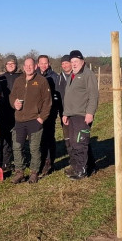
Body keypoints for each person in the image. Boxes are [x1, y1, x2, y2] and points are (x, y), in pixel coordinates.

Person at [9, 57, 52, 184]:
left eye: (31, 65)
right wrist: (14, 103)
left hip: (34, 120)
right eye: (26, 65)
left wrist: (41, 118)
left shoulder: (42, 81)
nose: (28, 67)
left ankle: (34, 173)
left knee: (34, 148)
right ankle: (19, 172)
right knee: (17, 147)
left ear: (35, 67)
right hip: (19, 120)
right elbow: (12, 97)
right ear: (23, 67)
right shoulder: (18, 80)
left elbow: (47, 102)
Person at [62, 50, 99, 180]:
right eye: (72, 62)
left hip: (82, 115)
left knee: (79, 143)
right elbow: (69, 96)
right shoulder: (72, 75)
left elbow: (93, 95)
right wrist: (65, 113)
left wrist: (90, 113)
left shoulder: (88, 74)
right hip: (72, 115)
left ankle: (81, 171)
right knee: (74, 142)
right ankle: (85, 166)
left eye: (76, 61)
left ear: (82, 61)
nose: (74, 64)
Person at [36, 54, 61, 177]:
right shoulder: (34, 76)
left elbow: (57, 95)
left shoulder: (55, 77)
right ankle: (38, 161)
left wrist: (54, 110)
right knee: (38, 138)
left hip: (50, 113)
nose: (44, 65)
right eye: (42, 63)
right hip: (36, 113)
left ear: (49, 63)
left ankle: (49, 162)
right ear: (38, 64)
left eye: (46, 63)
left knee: (49, 137)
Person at [0, 54, 21, 171]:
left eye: (13, 63)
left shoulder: (21, 77)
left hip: (18, 112)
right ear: (5, 65)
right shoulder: (0, 78)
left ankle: (18, 162)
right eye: (8, 64)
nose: (10, 65)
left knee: (18, 139)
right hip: (4, 112)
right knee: (5, 139)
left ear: (16, 65)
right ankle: (5, 162)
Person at [58, 55, 72, 162]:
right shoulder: (59, 78)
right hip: (63, 112)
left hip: (77, 112)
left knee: (78, 137)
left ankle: (85, 162)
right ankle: (72, 158)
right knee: (67, 135)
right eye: (63, 63)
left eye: (66, 63)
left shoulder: (77, 76)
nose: (64, 65)